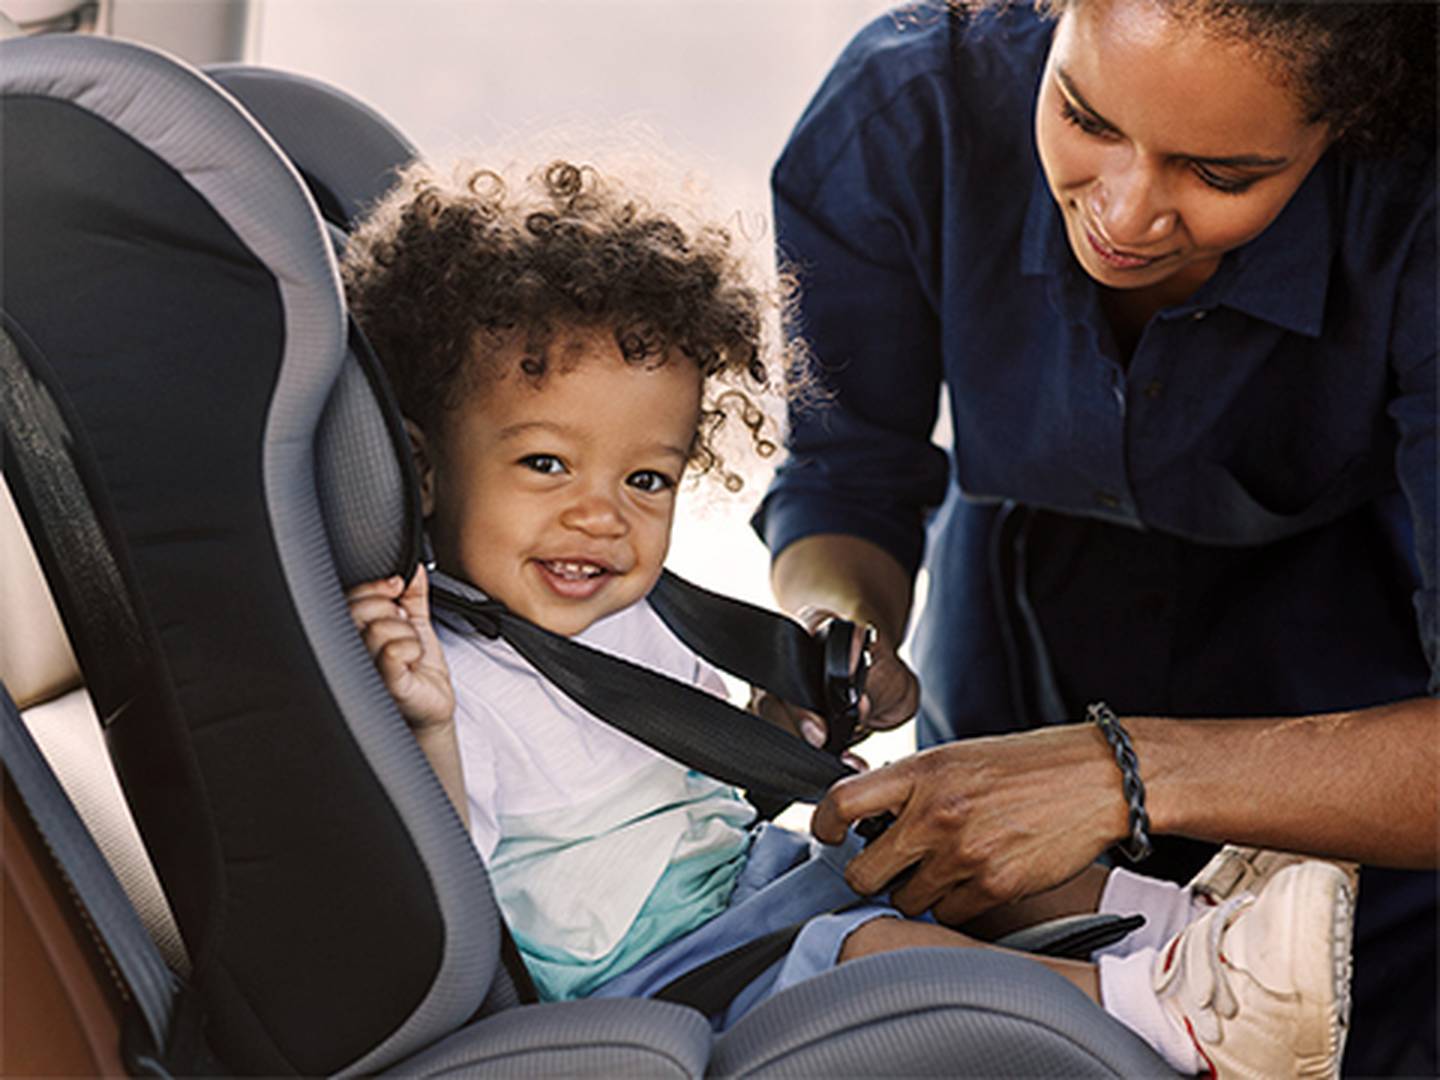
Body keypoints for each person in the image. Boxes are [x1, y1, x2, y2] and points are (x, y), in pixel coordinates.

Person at [341, 155, 1358, 1076]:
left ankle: (1200, 924)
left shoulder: (628, 611)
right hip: (650, 969)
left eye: (646, 479)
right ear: (424, 468)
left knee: (946, 839)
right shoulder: (445, 673)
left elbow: (681, 791)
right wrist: (427, 727)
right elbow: (445, 896)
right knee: (869, 951)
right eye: (545, 464)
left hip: (742, 887)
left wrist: (774, 732)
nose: (600, 516)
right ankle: (1182, 1013)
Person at [752, 0, 1437, 1073]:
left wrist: (1121, 773)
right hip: (1012, 640)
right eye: (1085, 118)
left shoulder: (1421, 205)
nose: (1123, 212)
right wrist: (830, 634)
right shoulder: (906, 110)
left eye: (1219, 175)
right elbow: (848, 473)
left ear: (1350, 123)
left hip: (1359, 709)